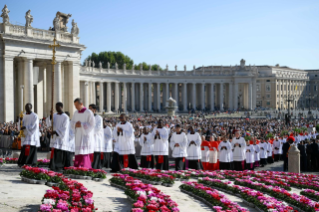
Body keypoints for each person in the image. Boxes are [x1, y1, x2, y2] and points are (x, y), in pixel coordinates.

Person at [70, 98, 95, 168]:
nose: (75, 107)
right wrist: (75, 124)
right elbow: (71, 123)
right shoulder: (75, 113)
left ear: (81, 104)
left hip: (85, 135)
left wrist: (82, 125)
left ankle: (85, 166)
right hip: (78, 135)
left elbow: (92, 124)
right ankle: (78, 165)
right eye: (75, 105)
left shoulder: (88, 112)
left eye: (76, 105)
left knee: (85, 151)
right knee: (78, 151)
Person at [49, 102, 70, 172]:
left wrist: (56, 132)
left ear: (61, 107)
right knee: (54, 152)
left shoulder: (65, 117)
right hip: (55, 137)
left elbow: (65, 128)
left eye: (57, 107)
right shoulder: (54, 115)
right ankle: (53, 166)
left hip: (60, 138)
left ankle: (59, 166)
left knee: (59, 153)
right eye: (56, 107)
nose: (56, 108)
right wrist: (50, 116)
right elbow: (50, 123)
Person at [89, 104, 104, 169]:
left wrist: (89, 131)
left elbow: (98, 128)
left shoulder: (99, 118)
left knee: (96, 153)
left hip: (96, 138)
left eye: (90, 108)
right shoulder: (88, 118)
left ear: (94, 110)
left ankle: (95, 167)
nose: (89, 110)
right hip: (89, 138)